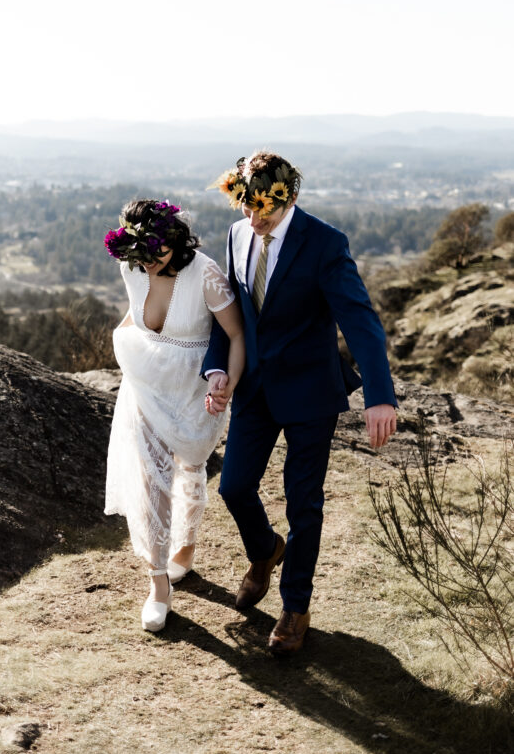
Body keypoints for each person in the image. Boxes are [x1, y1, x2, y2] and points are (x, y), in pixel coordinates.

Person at [203, 151, 397, 655]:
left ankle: (295, 606)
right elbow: (234, 318)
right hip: (255, 390)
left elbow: (361, 322)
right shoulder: (236, 235)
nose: (252, 218)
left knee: (303, 502)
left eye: (262, 209)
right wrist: (218, 366)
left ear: (289, 198)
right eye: (244, 207)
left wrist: (379, 397)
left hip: (312, 392)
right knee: (233, 486)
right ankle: (265, 551)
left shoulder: (326, 243)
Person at [103, 199, 245, 632]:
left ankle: (185, 549)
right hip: (145, 383)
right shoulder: (132, 267)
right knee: (152, 477)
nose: (148, 264)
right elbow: (135, 314)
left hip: (192, 390)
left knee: (189, 468)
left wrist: (229, 385)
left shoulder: (204, 274)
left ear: (177, 241)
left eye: (157, 253)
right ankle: (158, 583)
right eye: (140, 255)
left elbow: (236, 334)